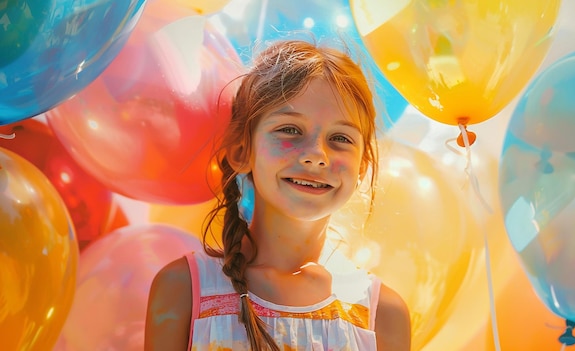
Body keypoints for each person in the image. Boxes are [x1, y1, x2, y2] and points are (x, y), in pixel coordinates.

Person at [145, 39, 411, 351]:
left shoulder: (382, 316)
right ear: (243, 151)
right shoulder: (185, 291)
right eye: (290, 130)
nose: (316, 155)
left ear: (362, 165)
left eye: (340, 138)